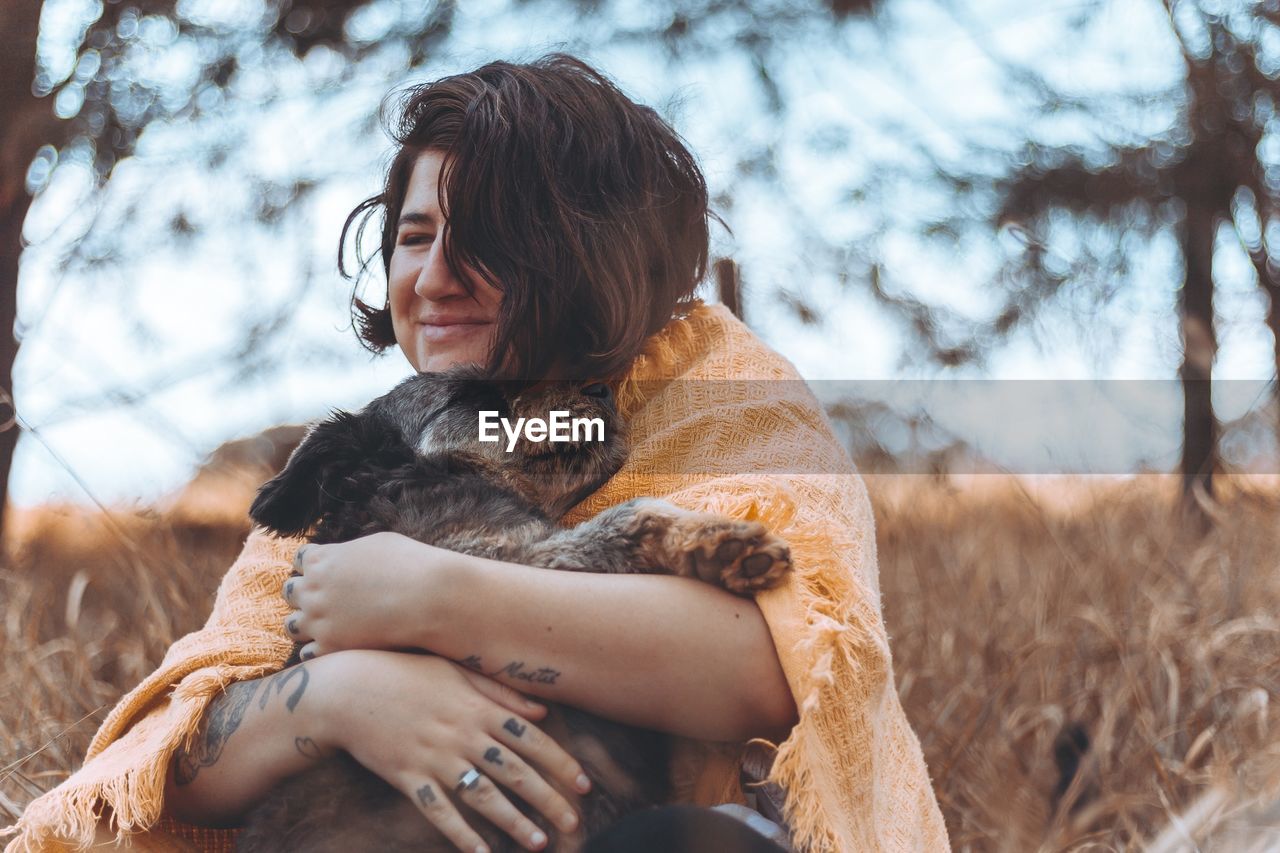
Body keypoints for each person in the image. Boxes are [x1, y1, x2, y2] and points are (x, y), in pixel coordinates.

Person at [2, 55, 948, 853]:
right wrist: (341, 692)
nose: (434, 276)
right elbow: (182, 761)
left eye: (486, 240)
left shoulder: (717, 396)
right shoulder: (381, 444)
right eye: (415, 236)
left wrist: (428, 599)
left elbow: (780, 665)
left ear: (586, 249)